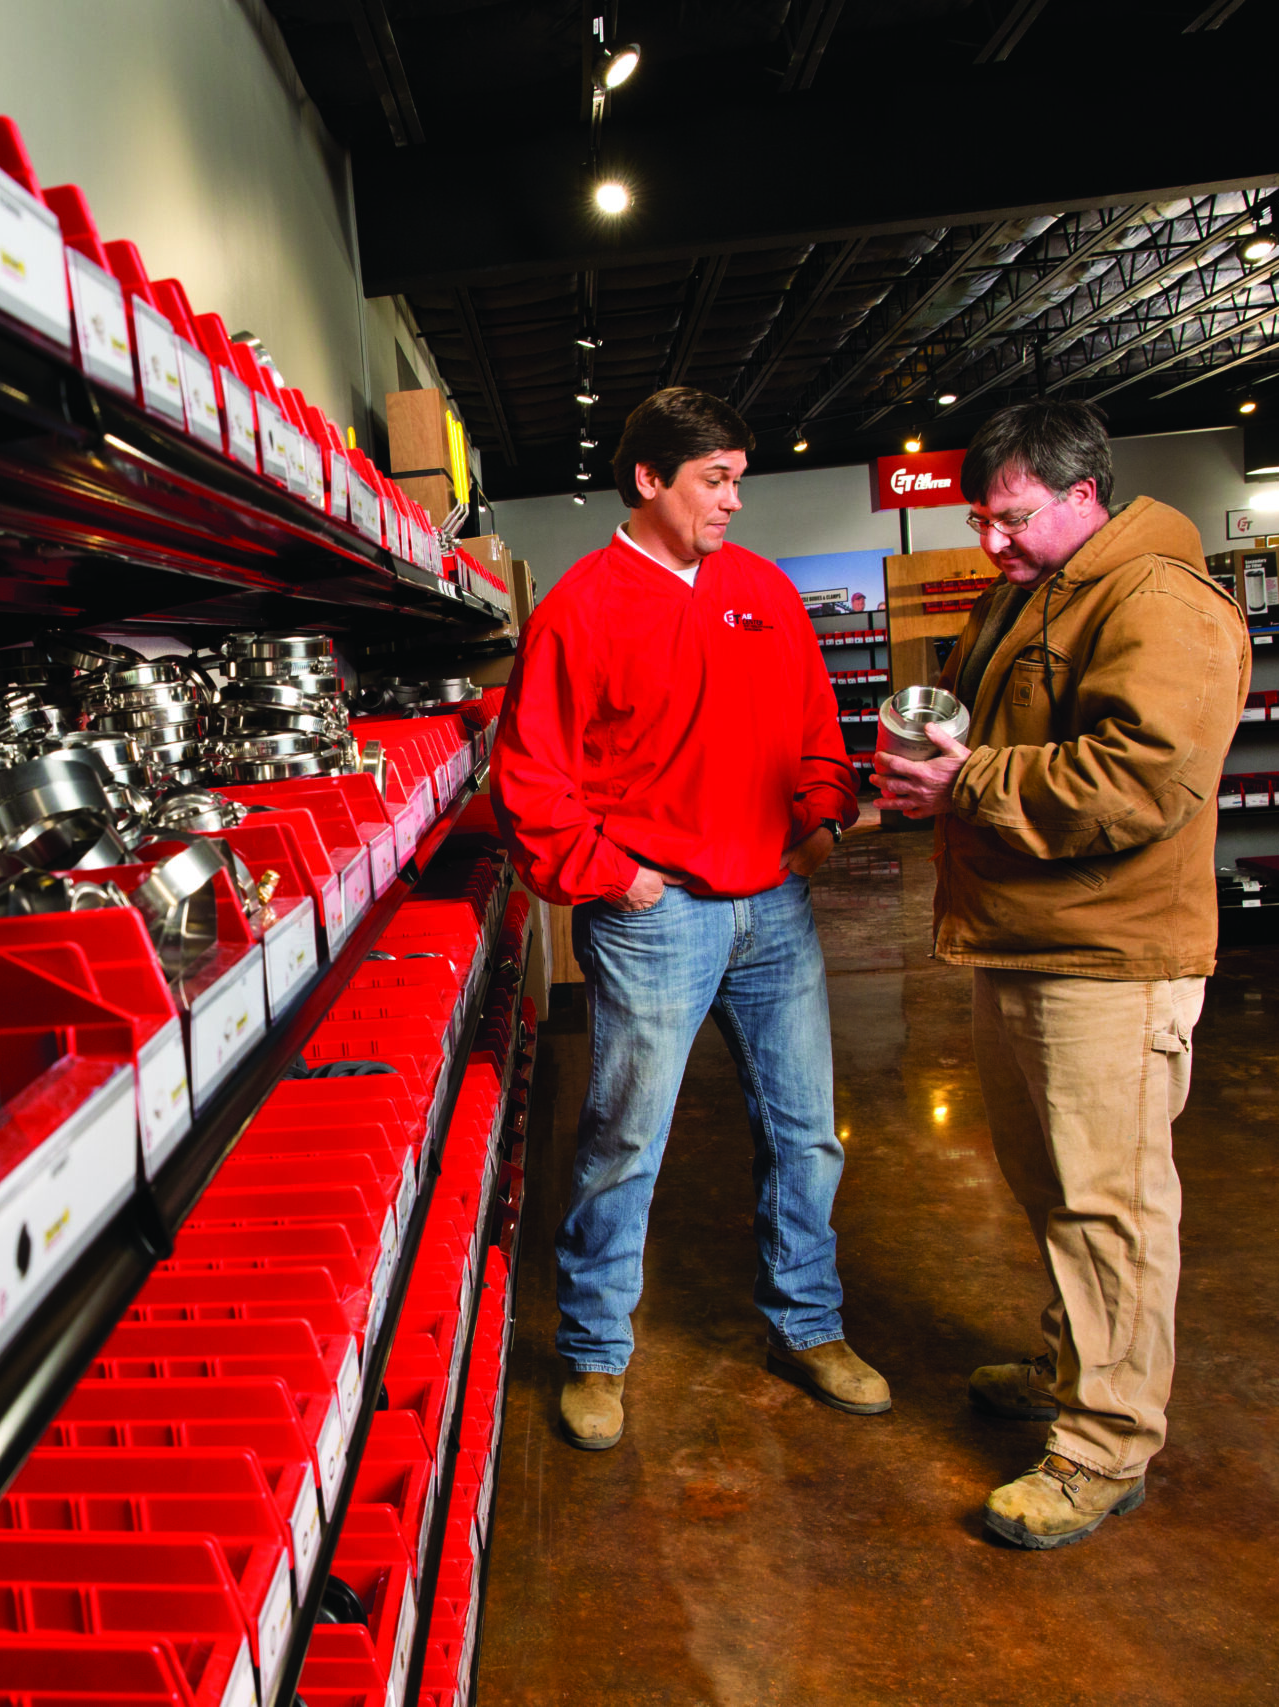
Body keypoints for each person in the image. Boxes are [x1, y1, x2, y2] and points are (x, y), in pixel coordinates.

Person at [871, 399, 1246, 1550]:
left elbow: (1140, 779)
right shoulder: (1038, 587)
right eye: (982, 518)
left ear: (1085, 497)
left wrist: (970, 783)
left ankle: (1105, 1445)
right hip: (1028, 939)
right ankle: (1075, 1361)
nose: (990, 541)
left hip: (1110, 957)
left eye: (1011, 518)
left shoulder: (1158, 603)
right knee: (1053, 1190)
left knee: (1112, 1206)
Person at [491, 386, 880, 1454]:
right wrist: (611, 877)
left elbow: (814, 725)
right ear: (649, 480)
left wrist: (822, 821)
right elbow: (529, 777)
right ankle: (594, 1352)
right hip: (658, 916)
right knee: (625, 1143)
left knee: (804, 1135)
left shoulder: (761, 590)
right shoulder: (578, 609)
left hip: (777, 908)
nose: (734, 503)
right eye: (715, 481)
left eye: (738, 481)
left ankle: (807, 1328)